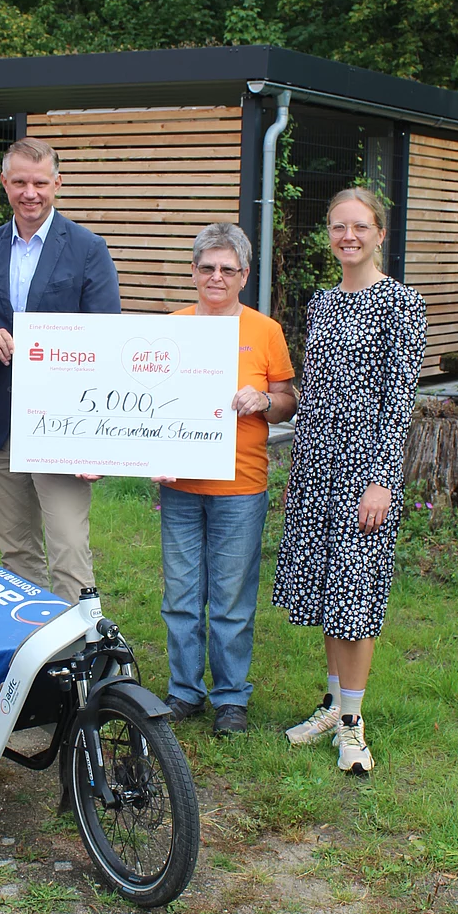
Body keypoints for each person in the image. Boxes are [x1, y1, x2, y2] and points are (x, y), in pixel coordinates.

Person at [273, 187, 427, 774]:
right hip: (317, 467)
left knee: (354, 596)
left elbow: (397, 399)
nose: (348, 237)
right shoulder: (321, 302)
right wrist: (299, 467)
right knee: (327, 591)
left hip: (367, 470)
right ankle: (334, 705)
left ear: (379, 233)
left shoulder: (400, 304)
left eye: (360, 227)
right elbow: (314, 396)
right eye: (338, 227)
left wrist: (383, 479)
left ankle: (354, 726)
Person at [0, 136, 121, 603]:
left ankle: (79, 657)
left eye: (40, 183)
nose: (30, 193)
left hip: (63, 429)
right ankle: (31, 654)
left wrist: (96, 441)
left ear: (57, 184)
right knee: (16, 553)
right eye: (20, 181)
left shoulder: (88, 249)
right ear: (4, 183)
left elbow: (108, 344)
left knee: (68, 550)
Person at [157, 225, 298, 735]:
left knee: (233, 599)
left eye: (227, 269)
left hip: (241, 484)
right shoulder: (172, 326)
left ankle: (231, 699)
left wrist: (264, 401)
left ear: (244, 275)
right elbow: (150, 400)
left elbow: (287, 398)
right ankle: (184, 691)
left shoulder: (265, 331)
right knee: (180, 595)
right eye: (207, 267)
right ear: (194, 272)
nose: (216, 276)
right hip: (180, 486)